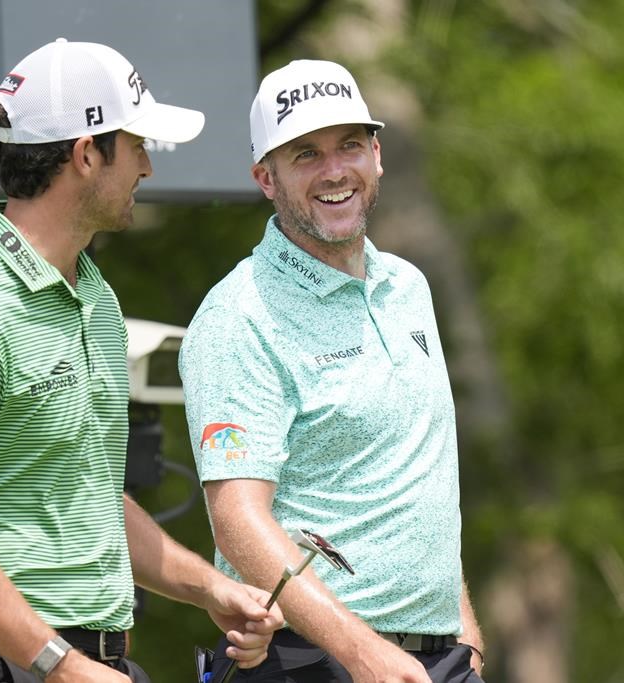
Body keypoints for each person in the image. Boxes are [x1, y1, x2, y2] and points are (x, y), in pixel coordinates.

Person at [0, 38, 282, 683]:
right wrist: (60, 666)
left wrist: (211, 589)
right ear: (85, 155)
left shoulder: (95, 299)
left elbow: (96, 500)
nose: (148, 169)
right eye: (138, 147)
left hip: (82, 662)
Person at [178, 59, 487, 683]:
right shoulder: (240, 315)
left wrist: (466, 636)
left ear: (377, 155)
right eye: (305, 155)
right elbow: (238, 518)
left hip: (438, 659)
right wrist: (362, 651)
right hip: (310, 661)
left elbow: (415, 475)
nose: (334, 170)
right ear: (265, 178)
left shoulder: (407, 286)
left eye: (349, 145)